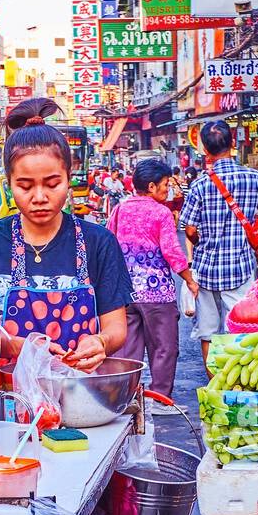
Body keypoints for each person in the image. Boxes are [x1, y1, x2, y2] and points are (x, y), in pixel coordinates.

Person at [0, 97, 131, 372]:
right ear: (9, 184)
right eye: (25, 186)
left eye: (53, 184)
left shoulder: (98, 242)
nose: (39, 197)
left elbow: (116, 326)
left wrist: (101, 341)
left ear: (69, 177)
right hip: (11, 388)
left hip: (80, 385)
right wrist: (23, 347)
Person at [179, 120, 258, 362]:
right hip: (241, 265)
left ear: (204, 148)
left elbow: (189, 229)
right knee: (242, 327)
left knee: (208, 333)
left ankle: (214, 385)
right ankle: (238, 384)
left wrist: (200, 239)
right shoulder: (254, 178)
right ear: (233, 143)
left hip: (205, 270)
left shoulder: (200, 185)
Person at [107, 157, 198, 407]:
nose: (167, 190)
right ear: (150, 187)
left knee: (128, 349)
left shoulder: (120, 209)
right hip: (157, 294)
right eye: (165, 185)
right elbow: (172, 251)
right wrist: (189, 280)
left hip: (125, 293)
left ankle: (125, 398)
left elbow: (108, 243)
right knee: (164, 348)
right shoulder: (161, 213)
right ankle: (160, 399)